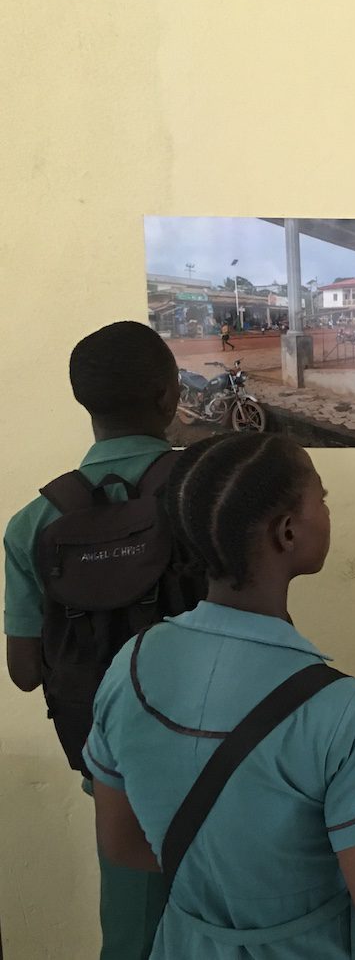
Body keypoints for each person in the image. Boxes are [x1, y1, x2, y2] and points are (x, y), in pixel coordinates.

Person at [84, 432, 355, 959]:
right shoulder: (342, 711)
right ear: (287, 531)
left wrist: (228, 880)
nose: (328, 509)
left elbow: (124, 844)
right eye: (322, 497)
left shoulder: (130, 666)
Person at [4, 322, 200, 960]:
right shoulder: (206, 494)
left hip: (108, 765)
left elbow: (26, 670)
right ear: (169, 397)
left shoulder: (33, 522)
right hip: (222, 753)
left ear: (83, 402)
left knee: (132, 924)